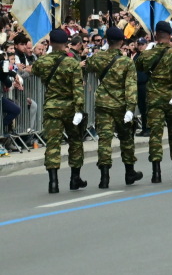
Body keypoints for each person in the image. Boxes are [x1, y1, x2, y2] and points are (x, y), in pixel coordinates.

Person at [83, 27, 143, 189]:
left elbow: (84, 66)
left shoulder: (98, 58)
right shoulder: (126, 62)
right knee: (126, 139)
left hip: (103, 104)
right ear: (122, 42)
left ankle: (104, 177)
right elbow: (131, 87)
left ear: (106, 41)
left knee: (104, 140)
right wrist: (131, 108)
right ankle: (129, 172)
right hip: (121, 106)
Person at [32, 29, 87, 193]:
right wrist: (79, 110)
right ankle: (74, 178)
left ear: (51, 43)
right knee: (75, 142)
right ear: (66, 44)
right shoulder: (72, 63)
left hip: (52, 108)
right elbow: (78, 89)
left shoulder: (43, 62)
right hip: (70, 108)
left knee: (53, 145)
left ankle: (53, 182)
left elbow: (34, 71)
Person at [135, 21, 172, 183]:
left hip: (154, 98)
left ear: (156, 35)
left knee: (155, 135)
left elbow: (139, 67)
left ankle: (156, 171)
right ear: (170, 36)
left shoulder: (147, 54)